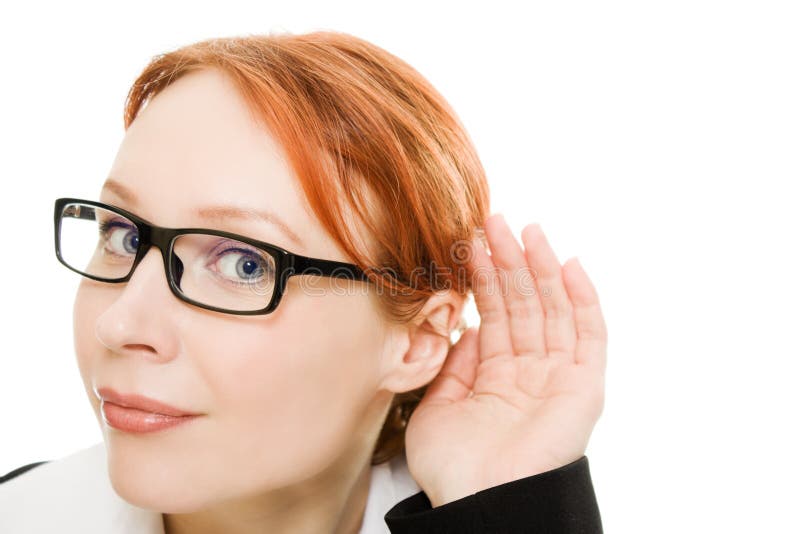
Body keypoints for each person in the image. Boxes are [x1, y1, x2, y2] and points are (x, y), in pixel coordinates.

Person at [0, 30, 607, 533]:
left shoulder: (499, 509)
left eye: (243, 263)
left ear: (418, 341)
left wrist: (511, 511)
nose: (120, 323)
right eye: (123, 236)